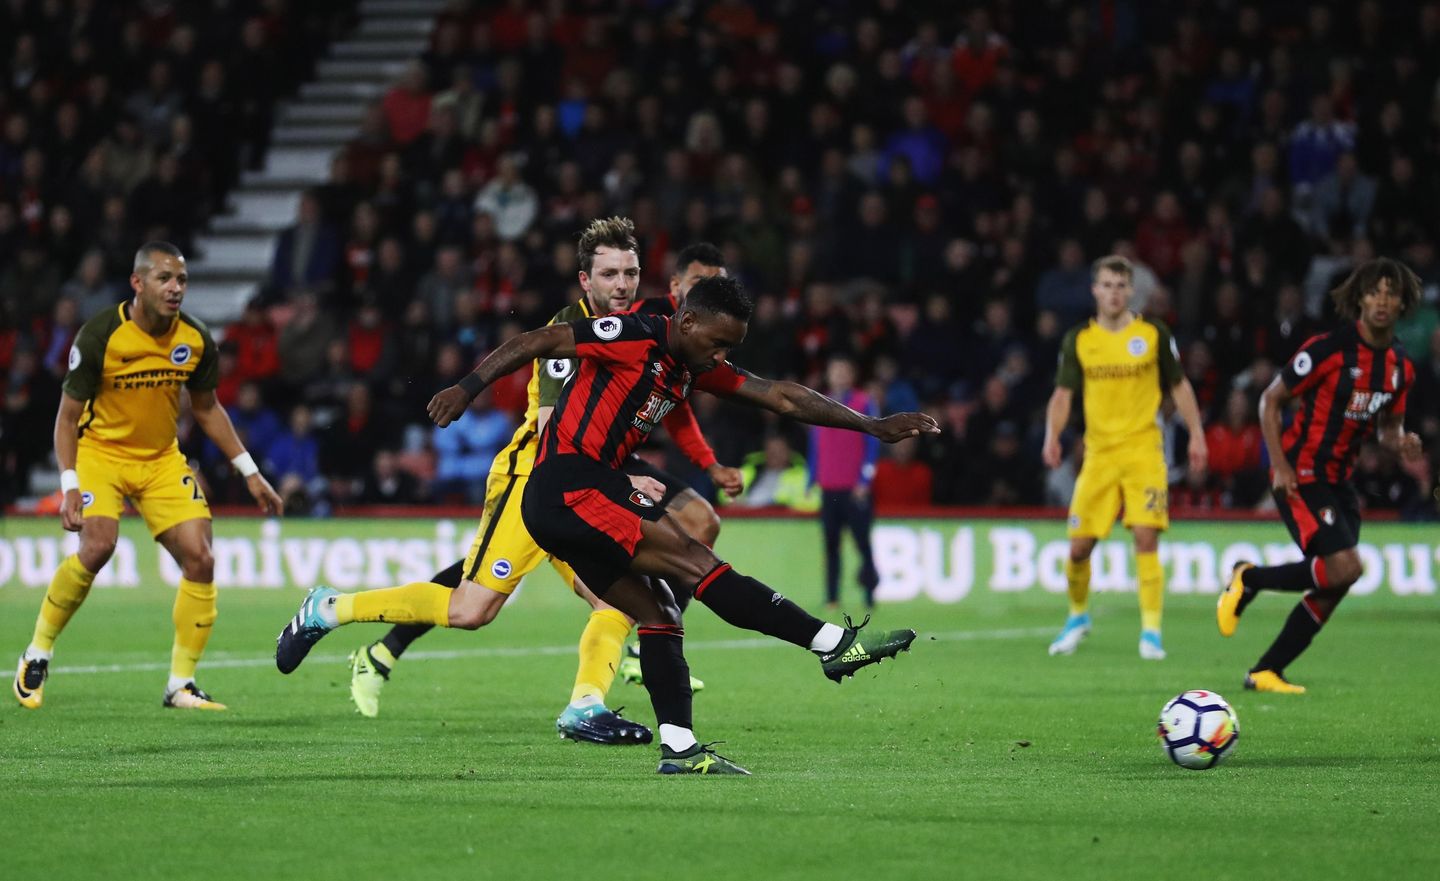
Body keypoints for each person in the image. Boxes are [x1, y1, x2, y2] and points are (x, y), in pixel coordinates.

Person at [277, 274, 935, 774]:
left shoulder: (690, 365)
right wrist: (468, 387)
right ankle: (830, 644)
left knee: (657, 611)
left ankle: (679, 747)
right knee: (694, 563)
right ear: (687, 320)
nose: (720, 357)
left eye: (729, 348)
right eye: (717, 343)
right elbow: (540, 340)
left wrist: (871, 425)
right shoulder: (637, 335)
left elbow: (782, 396)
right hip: (568, 484)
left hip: (578, 496)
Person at [340, 222, 738, 746]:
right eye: (610, 274)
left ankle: (590, 701)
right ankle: (350, 624)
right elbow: (554, 429)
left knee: (639, 577)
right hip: (543, 472)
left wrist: (705, 464)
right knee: (473, 604)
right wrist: (622, 479)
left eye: (630, 273)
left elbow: (674, 400)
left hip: (599, 467)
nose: (622, 284)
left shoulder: (657, 325)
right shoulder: (573, 329)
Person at [12, 242, 283, 711]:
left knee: (201, 558)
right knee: (98, 546)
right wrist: (70, 484)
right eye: (164, 278)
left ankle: (181, 684)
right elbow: (66, 418)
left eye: (181, 280)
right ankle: (37, 654)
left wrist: (250, 472)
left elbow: (207, 408)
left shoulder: (195, 339)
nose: (175, 288)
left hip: (160, 460)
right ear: (138, 283)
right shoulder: (100, 336)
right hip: (101, 454)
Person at [1216, 258, 1422, 694]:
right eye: (1374, 292)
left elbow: (1387, 427)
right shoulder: (1329, 349)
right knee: (1345, 566)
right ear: (1359, 299)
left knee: (1338, 580)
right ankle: (1248, 578)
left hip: (1340, 480)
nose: (1382, 301)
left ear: (1403, 303)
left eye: (1391, 294)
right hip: (1301, 472)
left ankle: (1266, 670)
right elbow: (1270, 401)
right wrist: (1280, 465)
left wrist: (1400, 441)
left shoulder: (1400, 366)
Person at [1042, 254, 1207, 661]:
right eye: (1107, 285)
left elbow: (1179, 385)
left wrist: (1196, 434)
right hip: (1098, 454)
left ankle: (1151, 632)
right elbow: (1063, 394)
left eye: (1120, 286)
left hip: (1143, 451)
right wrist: (1052, 435)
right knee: (1078, 548)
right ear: (1094, 290)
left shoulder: (1152, 333)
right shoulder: (1080, 339)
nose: (1114, 293)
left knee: (1145, 537)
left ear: (1131, 291)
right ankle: (1078, 616)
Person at [810, 354, 881, 610]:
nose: (839, 376)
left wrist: (865, 479)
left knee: (862, 544)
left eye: (843, 371)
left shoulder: (864, 402)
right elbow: (815, 445)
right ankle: (832, 597)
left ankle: (870, 596)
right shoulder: (818, 403)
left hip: (854, 489)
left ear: (852, 376)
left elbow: (873, 442)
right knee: (831, 545)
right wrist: (811, 479)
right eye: (835, 371)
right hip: (829, 487)